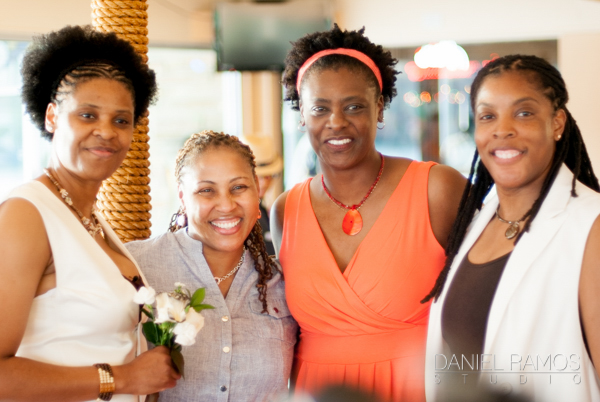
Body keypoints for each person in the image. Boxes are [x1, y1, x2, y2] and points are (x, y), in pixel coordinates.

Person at [272, 25, 466, 401]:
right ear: (302, 115)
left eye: (354, 106)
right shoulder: (286, 210)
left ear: (379, 107)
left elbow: (485, 301)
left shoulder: (437, 189)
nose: (336, 122)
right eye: (320, 108)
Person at [0, 25, 180, 401]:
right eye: (87, 115)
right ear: (52, 116)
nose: (107, 132)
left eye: (121, 120)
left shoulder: (92, 221)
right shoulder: (27, 215)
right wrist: (122, 379)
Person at [424, 55, 600, 402]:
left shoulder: (590, 225)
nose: (502, 129)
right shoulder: (475, 223)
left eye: (524, 113)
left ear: (557, 123)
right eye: (487, 116)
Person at [125, 131, 298, 401]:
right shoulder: (134, 266)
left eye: (238, 187)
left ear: (257, 189)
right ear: (182, 197)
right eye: (206, 190)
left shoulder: (284, 281)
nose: (226, 205)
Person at [241, 134, 284, 255]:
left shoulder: (261, 208)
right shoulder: (242, 213)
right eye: (258, 176)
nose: (264, 183)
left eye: (269, 176)